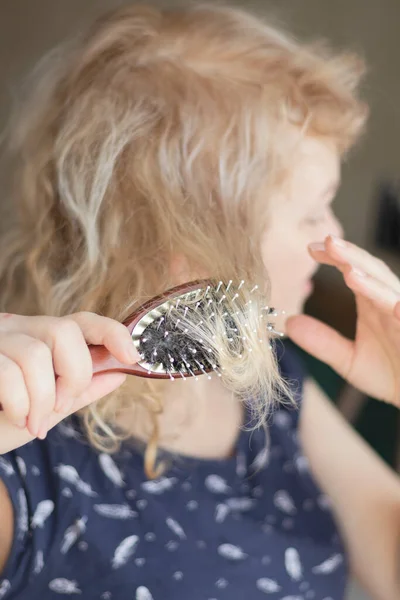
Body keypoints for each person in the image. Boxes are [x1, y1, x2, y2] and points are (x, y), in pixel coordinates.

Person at [0, 4, 399, 599]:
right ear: (191, 246)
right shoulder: (29, 468)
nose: (334, 237)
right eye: (314, 210)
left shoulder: (269, 388)